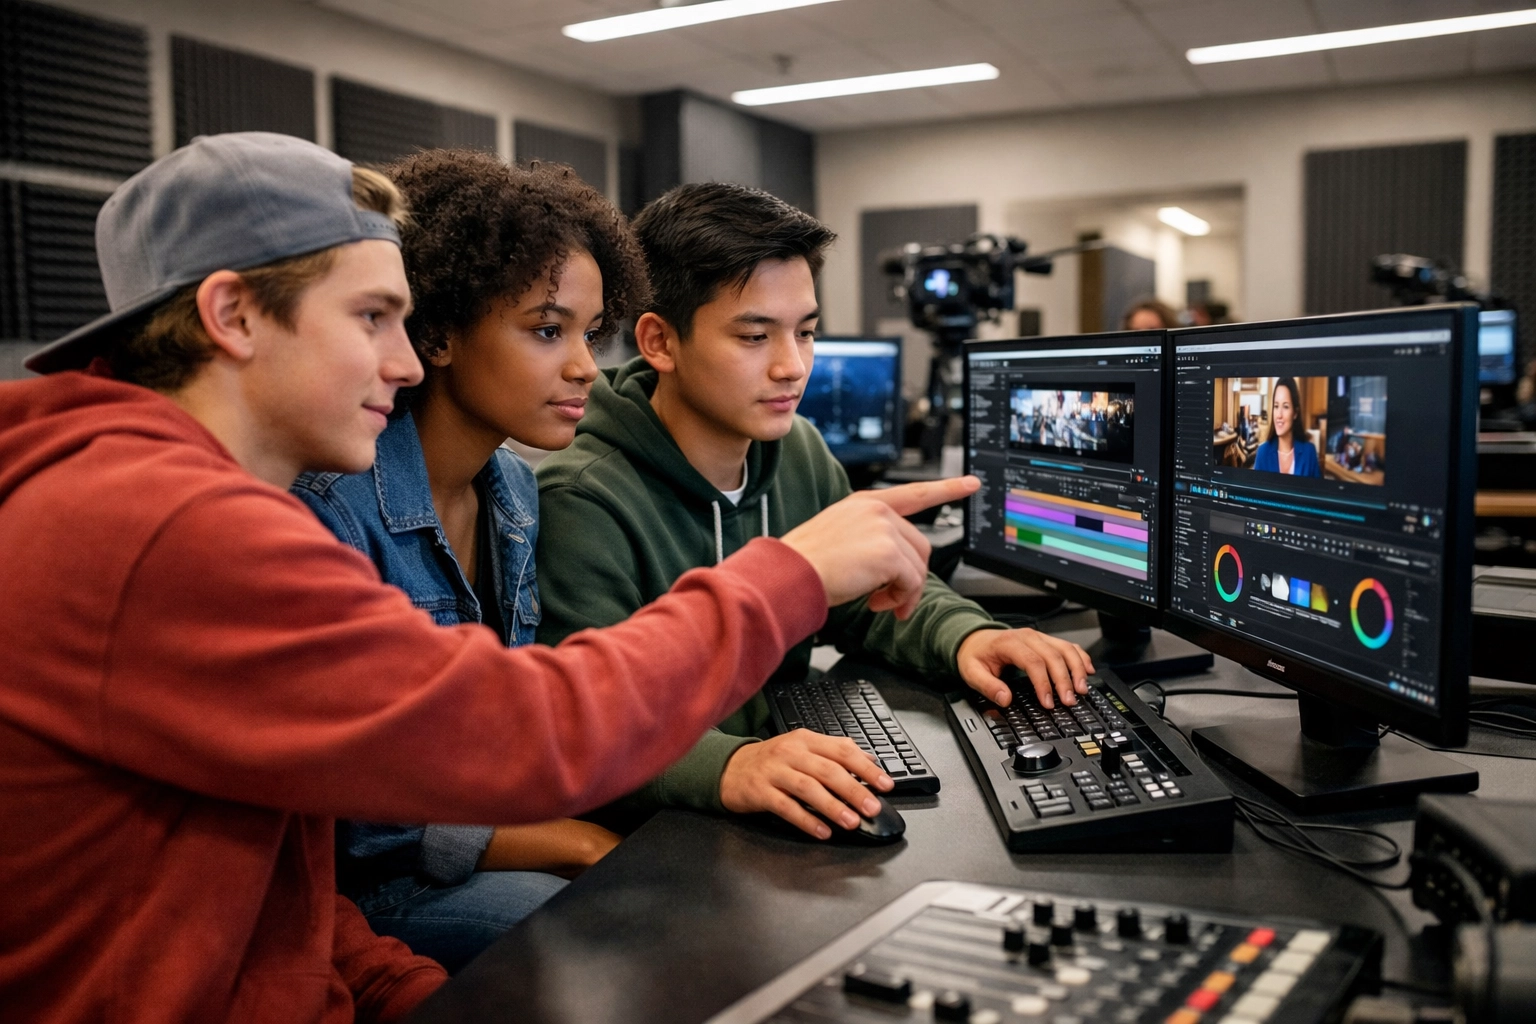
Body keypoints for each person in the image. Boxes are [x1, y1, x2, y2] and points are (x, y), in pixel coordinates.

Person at [0, 133, 972, 1023]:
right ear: (232, 314)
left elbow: (277, 884)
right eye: (373, 318)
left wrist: (406, 992)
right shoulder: (157, 526)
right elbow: (520, 732)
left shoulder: (153, 495)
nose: (405, 361)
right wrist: (790, 574)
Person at [535, 183, 1094, 840]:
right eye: (755, 336)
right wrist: (727, 764)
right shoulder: (582, 500)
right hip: (665, 832)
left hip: (777, 779)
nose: (793, 367)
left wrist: (969, 636)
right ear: (660, 342)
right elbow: (583, 732)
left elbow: (866, 599)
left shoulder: (796, 448)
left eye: (805, 332)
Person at [288, 151, 641, 971]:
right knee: (597, 938)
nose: (586, 367)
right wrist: (570, 840)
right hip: (363, 890)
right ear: (439, 333)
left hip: (465, 842)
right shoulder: (330, 509)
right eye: (548, 330)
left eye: (591, 333)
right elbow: (358, 817)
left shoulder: (513, 486)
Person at [1252, 376, 1320, 477]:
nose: (1279, 415)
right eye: (1276, 406)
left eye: (1285, 406)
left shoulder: (1309, 452)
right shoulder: (1262, 453)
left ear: (1295, 413)